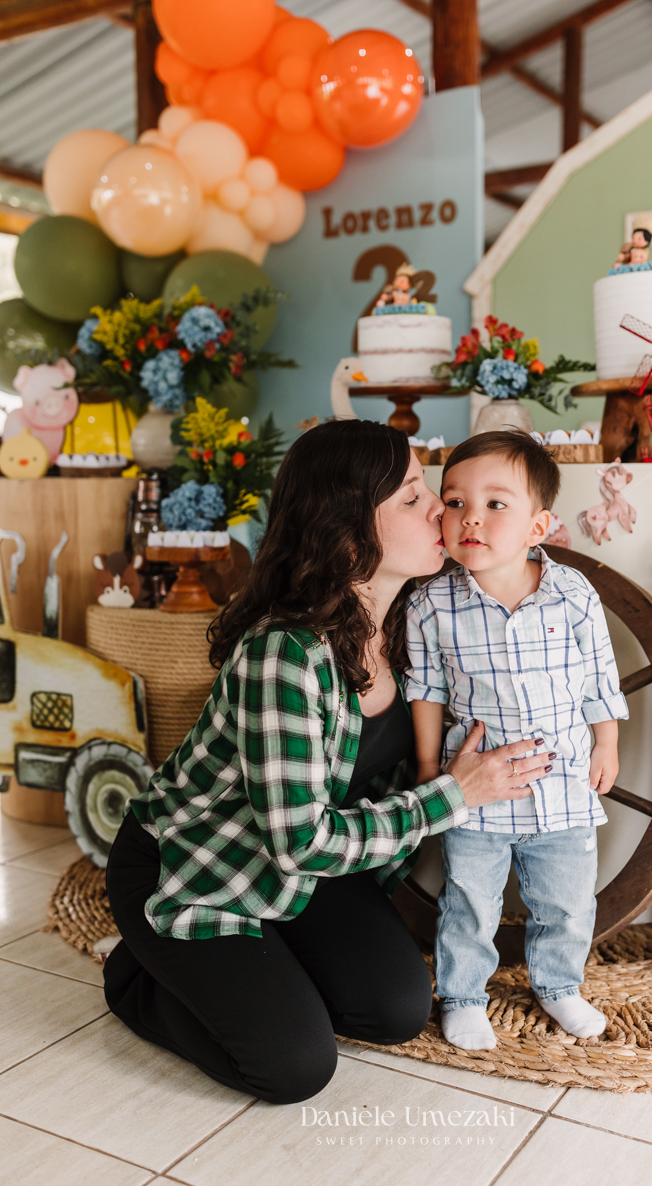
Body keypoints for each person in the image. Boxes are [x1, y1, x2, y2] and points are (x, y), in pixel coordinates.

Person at [103, 419, 553, 1105]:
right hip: (198, 863)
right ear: (346, 532)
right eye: (410, 497)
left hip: (308, 867)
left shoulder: (412, 623)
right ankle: (138, 978)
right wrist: (455, 796)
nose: (441, 507)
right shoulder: (283, 655)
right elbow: (302, 840)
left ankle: (256, 965)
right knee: (293, 1069)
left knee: (395, 1011)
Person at [406, 431, 629, 1051]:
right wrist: (430, 765)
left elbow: (599, 678)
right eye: (454, 502)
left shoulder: (572, 593)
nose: (470, 516)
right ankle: (464, 995)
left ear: (540, 525)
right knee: (469, 902)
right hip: (474, 788)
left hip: (561, 785)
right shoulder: (430, 604)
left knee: (566, 900)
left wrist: (605, 746)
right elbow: (423, 688)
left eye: (496, 504)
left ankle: (559, 986)